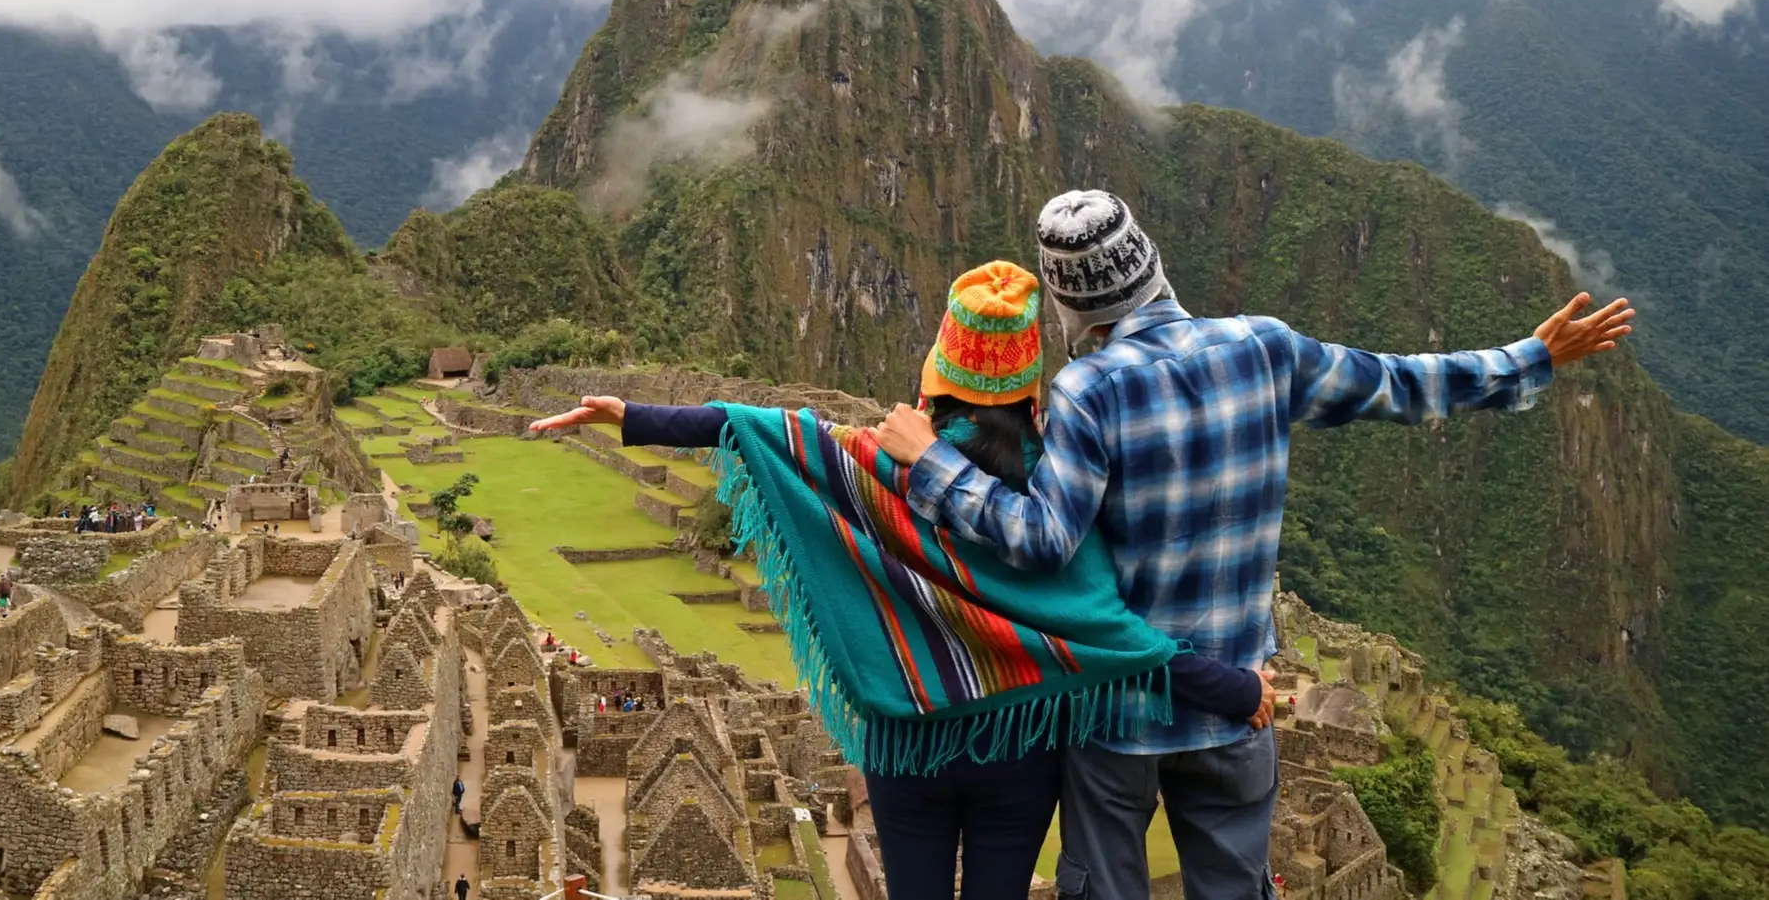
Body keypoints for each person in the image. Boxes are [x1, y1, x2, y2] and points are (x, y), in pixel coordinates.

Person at [867, 191, 1637, 900]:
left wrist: (930, 463)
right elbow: (1400, 383)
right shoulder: (1263, 347)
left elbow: (1042, 539)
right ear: (1153, 267)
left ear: (1069, 306)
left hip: (1118, 719)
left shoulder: (1089, 390)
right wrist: (1529, 357)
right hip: (1236, 700)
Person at [534, 262, 1272, 900]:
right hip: (1016, 747)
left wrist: (634, 415)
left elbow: (769, 430)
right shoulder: (1053, 489)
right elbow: (1108, 631)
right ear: (1030, 390)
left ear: (936, 377)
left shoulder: (874, 465)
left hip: (905, 746)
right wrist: (1235, 690)